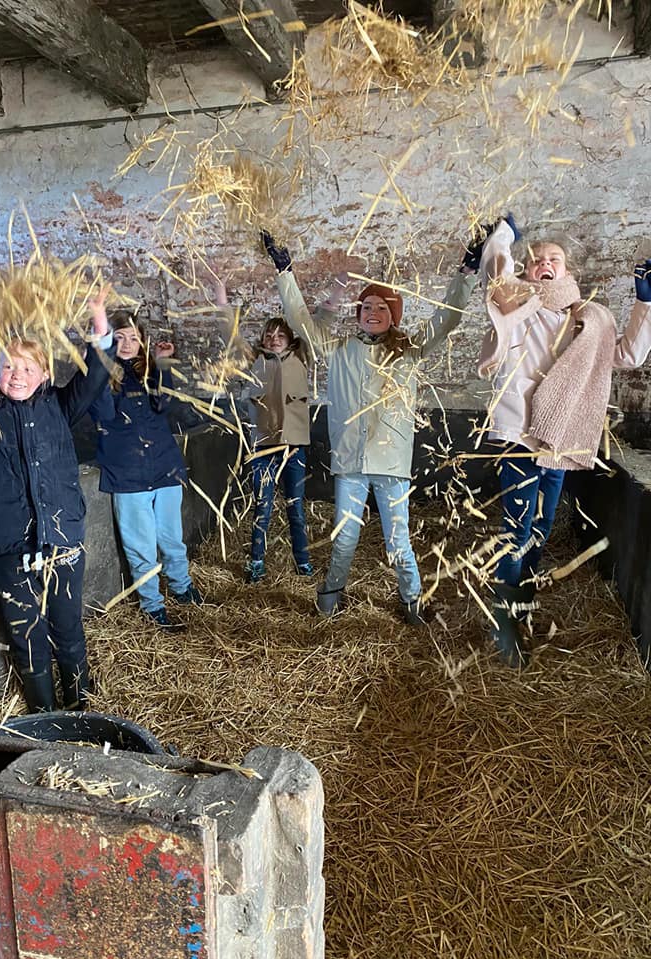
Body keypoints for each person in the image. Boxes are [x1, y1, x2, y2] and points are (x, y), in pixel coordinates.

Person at [262, 232, 480, 624]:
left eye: (382, 307)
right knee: (344, 538)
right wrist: (285, 272)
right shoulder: (341, 348)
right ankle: (329, 600)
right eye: (366, 306)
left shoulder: (410, 349)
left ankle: (412, 603)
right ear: (358, 312)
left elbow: (446, 317)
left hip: (391, 463)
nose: (373, 312)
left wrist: (467, 272)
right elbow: (302, 321)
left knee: (399, 541)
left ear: (393, 315)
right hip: (350, 461)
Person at [0, 281, 113, 712]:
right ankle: (45, 721)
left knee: (68, 629)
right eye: (9, 368)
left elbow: (97, 375)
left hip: (63, 542)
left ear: (46, 374)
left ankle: (82, 711)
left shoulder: (60, 408)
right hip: (12, 548)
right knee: (26, 635)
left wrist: (99, 323)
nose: (18, 375)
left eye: (29, 368)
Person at [478, 216, 651, 667]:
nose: (545, 266)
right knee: (515, 531)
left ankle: (523, 608)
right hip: (520, 436)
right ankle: (504, 628)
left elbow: (630, 355)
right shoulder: (517, 306)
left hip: (560, 439)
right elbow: (496, 275)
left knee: (538, 527)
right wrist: (503, 236)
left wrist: (644, 303)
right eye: (537, 261)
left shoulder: (588, 319)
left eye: (553, 259)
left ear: (567, 268)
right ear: (528, 269)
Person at [89, 311, 201, 629]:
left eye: (133, 338)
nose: (127, 344)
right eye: (119, 337)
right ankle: (153, 605)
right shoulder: (99, 377)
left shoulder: (149, 373)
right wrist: (102, 362)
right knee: (140, 546)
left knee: (171, 538)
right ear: (108, 339)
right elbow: (104, 414)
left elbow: (165, 404)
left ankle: (182, 587)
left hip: (165, 466)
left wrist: (163, 364)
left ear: (143, 342)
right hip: (127, 475)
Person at [209, 270, 313, 583]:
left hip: (294, 446)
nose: (273, 339)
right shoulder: (255, 358)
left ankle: (302, 561)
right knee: (262, 507)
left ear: (290, 339)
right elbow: (232, 334)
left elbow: (308, 325)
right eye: (269, 335)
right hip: (263, 447)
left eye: (279, 335)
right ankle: (257, 561)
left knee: (296, 509)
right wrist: (222, 300)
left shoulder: (302, 356)